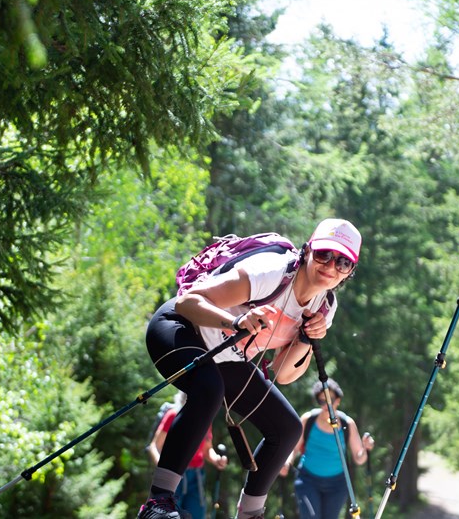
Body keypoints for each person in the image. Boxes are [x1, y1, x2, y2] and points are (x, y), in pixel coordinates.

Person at [138, 218, 362, 519]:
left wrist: (306, 339)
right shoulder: (271, 272)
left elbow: (283, 373)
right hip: (179, 329)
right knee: (209, 389)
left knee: (287, 428)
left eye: (343, 262)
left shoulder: (324, 307)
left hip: (225, 358)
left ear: (349, 272)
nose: (331, 266)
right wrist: (235, 322)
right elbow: (187, 302)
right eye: (324, 254)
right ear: (308, 250)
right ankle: (158, 503)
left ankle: (250, 514)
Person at [280, 379, 374, 519]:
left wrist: (366, 449)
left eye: (330, 400)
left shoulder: (347, 424)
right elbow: (294, 449)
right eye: (321, 401)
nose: (326, 405)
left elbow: (359, 459)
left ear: (338, 400)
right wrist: (287, 462)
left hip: (337, 485)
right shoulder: (308, 420)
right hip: (308, 480)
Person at [147, 391, 229, 519]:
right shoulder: (173, 415)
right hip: (173, 474)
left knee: (196, 515)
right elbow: (154, 446)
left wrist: (217, 459)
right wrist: (163, 470)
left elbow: (207, 449)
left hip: (196, 476)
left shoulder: (206, 419)